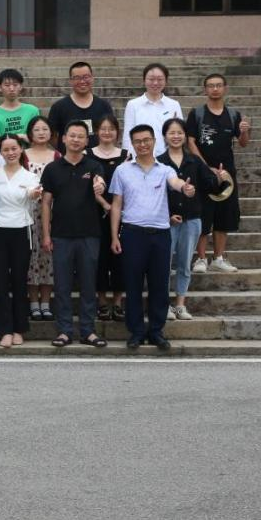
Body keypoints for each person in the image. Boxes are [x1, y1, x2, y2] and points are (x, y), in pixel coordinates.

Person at [110, 124, 197, 350]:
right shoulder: (122, 170)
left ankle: (156, 331)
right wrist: (114, 236)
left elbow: (175, 182)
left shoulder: (164, 169)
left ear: (154, 141)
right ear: (132, 144)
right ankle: (136, 332)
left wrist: (184, 188)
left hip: (160, 235)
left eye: (146, 140)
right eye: (138, 141)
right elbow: (117, 204)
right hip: (132, 233)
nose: (143, 144)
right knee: (133, 285)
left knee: (159, 285)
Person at [39, 120, 109, 348]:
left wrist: (100, 186)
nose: (76, 140)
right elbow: (46, 203)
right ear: (64, 138)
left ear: (87, 141)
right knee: (62, 286)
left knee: (89, 285)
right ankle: (65, 331)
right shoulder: (52, 169)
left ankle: (88, 331)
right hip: (61, 235)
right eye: (72, 135)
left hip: (89, 234)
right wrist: (46, 235)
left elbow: (100, 183)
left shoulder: (94, 166)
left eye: (81, 136)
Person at [159, 118, 231, 321]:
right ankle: (164, 305)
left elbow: (210, 186)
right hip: (166, 221)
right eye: (171, 133)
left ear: (185, 136)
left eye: (179, 133)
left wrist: (219, 179)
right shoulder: (159, 162)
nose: (176, 136)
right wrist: (166, 216)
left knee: (184, 264)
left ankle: (180, 305)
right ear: (164, 136)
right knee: (163, 266)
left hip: (191, 220)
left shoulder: (195, 161)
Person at [186, 73, 252, 273]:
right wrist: (206, 168)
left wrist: (244, 131)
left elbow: (243, 143)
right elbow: (190, 142)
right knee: (203, 215)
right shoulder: (197, 114)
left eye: (218, 85)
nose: (215, 89)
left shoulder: (233, 115)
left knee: (224, 215)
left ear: (225, 88)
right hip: (202, 173)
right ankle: (201, 258)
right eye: (211, 85)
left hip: (226, 175)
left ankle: (219, 258)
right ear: (205, 89)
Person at [0, 134, 41, 348]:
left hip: (21, 230)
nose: (10, 153)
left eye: (14, 148)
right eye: (6, 150)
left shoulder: (30, 176)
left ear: (21, 149)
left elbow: (35, 196)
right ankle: (4, 329)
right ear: (0, 152)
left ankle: (19, 328)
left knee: (19, 280)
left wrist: (34, 195)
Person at [87, 114, 129, 321]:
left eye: (111, 128)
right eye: (102, 128)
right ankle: (102, 301)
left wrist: (117, 207)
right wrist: (104, 204)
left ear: (117, 132)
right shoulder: (87, 154)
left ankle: (118, 302)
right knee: (99, 258)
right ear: (96, 131)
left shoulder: (127, 155)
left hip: (123, 212)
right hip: (93, 213)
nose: (106, 132)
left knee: (120, 257)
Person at [24, 116, 59, 320]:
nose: (41, 133)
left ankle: (45, 303)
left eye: (45, 129)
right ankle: (33, 303)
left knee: (48, 257)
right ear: (30, 133)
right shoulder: (22, 155)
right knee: (31, 258)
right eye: (37, 129)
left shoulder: (57, 156)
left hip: (51, 213)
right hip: (27, 212)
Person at [47, 61, 114, 149]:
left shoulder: (104, 106)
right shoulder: (58, 107)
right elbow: (52, 136)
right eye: (77, 78)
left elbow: (111, 131)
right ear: (70, 81)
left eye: (86, 77)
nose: (82, 81)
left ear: (92, 78)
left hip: (98, 156)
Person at [122, 63, 182, 157]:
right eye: (151, 79)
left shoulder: (174, 105)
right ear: (144, 80)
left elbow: (179, 133)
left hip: (168, 158)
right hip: (140, 158)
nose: (155, 83)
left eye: (160, 79)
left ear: (166, 81)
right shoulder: (133, 105)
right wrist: (130, 157)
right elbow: (127, 135)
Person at [0, 68, 40, 140]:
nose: (12, 89)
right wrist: (20, 136)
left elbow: (37, 137)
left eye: (15, 85)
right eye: (7, 85)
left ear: (21, 86)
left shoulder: (32, 111)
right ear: (0, 87)